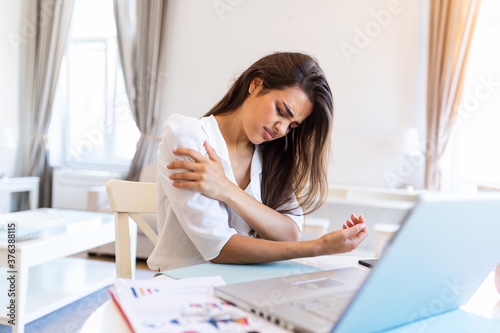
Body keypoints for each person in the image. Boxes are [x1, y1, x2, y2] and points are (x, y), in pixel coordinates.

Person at [148, 52, 367, 271]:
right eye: (281, 111)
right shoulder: (188, 136)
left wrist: (227, 190)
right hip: (184, 288)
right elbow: (219, 248)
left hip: (247, 286)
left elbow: (289, 234)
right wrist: (318, 247)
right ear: (256, 84)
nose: (281, 128)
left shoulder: (271, 156)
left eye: (292, 126)